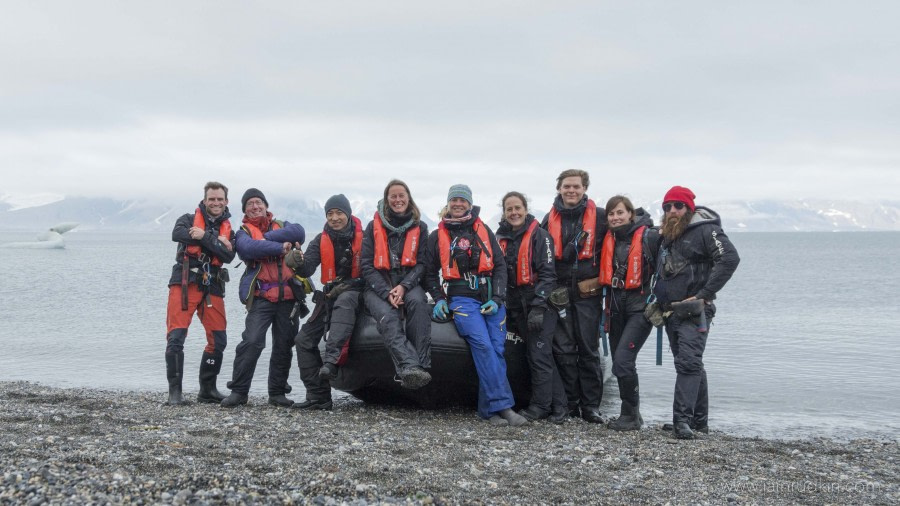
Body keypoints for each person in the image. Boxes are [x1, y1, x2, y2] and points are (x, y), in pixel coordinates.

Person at [424, 184, 528, 427]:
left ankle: (487, 410)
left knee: (497, 348)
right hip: (461, 297)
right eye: (454, 200)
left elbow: (500, 266)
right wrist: (439, 298)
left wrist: (498, 298)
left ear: (470, 204)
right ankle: (504, 407)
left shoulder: (484, 230)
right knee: (481, 345)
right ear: (448, 204)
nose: (458, 204)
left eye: (463, 200)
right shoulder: (436, 236)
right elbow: (429, 273)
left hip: (489, 297)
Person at [653, 186, 740, 439]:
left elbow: (730, 259)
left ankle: (681, 421)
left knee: (688, 363)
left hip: (695, 310)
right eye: (667, 207)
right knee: (691, 364)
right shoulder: (669, 234)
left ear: (689, 209)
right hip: (671, 311)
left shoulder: (706, 229)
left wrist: (704, 294)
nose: (672, 211)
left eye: (678, 206)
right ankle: (698, 421)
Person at [221, 188, 306, 408]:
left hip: (288, 297)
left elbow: (300, 232)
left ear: (266, 206)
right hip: (261, 297)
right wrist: (281, 246)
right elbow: (248, 249)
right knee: (252, 342)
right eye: (250, 204)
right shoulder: (243, 232)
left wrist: (266, 238)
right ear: (245, 210)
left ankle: (277, 393)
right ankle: (239, 392)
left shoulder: (282, 224)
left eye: (259, 202)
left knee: (284, 344)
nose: (255, 206)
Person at [287, 194, 368, 410]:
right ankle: (318, 396)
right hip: (330, 296)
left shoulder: (367, 237)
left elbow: (373, 270)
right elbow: (308, 268)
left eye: (339, 213)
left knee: (345, 302)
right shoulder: (320, 240)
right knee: (303, 340)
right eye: (330, 214)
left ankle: (331, 362)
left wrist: (350, 286)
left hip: (358, 295)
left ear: (349, 214)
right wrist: (297, 262)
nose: (334, 218)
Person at [541, 169, 607, 423]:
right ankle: (570, 403)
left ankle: (591, 406)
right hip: (559, 292)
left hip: (587, 291)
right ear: (559, 188)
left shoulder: (600, 217)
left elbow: (626, 230)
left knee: (589, 348)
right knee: (564, 348)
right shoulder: (549, 219)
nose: (571, 190)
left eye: (576, 186)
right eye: (566, 186)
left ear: (584, 188)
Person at [496, 191, 568, 423]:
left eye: (518, 208)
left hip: (538, 304)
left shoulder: (541, 236)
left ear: (526, 209)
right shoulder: (502, 239)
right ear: (504, 213)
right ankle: (560, 406)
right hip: (515, 305)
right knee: (539, 355)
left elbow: (548, 275)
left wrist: (538, 306)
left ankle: (540, 406)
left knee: (539, 355)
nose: (514, 213)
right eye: (509, 209)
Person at [164, 181, 236, 405]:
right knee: (176, 337)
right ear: (205, 201)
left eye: (219, 199)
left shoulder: (229, 229)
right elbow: (177, 234)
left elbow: (227, 257)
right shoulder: (186, 219)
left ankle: (207, 390)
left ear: (226, 202)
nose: (215, 202)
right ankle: (174, 394)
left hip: (212, 284)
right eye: (211, 199)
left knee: (219, 340)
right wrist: (216, 242)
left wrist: (204, 236)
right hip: (185, 282)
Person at [359, 180, 432, 388]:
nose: (398, 200)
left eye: (402, 195)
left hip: (408, 281)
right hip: (378, 284)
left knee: (419, 305)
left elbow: (422, 264)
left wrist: (404, 286)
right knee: (388, 316)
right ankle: (410, 367)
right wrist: (385, 292)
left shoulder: (421, 227)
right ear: (386, 199)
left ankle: (422, 367)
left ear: (408, 198)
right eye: (393, 196)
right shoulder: (373, 227)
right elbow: (366, 264)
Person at [599, 195, 661, 431]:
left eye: (620, 213)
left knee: (623, 362)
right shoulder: (607, 239)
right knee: (619, 362)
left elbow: (669, 266)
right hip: (614, 308)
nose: (615, 217)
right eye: (611, 214)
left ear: (630, 214)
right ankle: (634, 413)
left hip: (639, 308)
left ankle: (629, 415)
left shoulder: (651, 237)